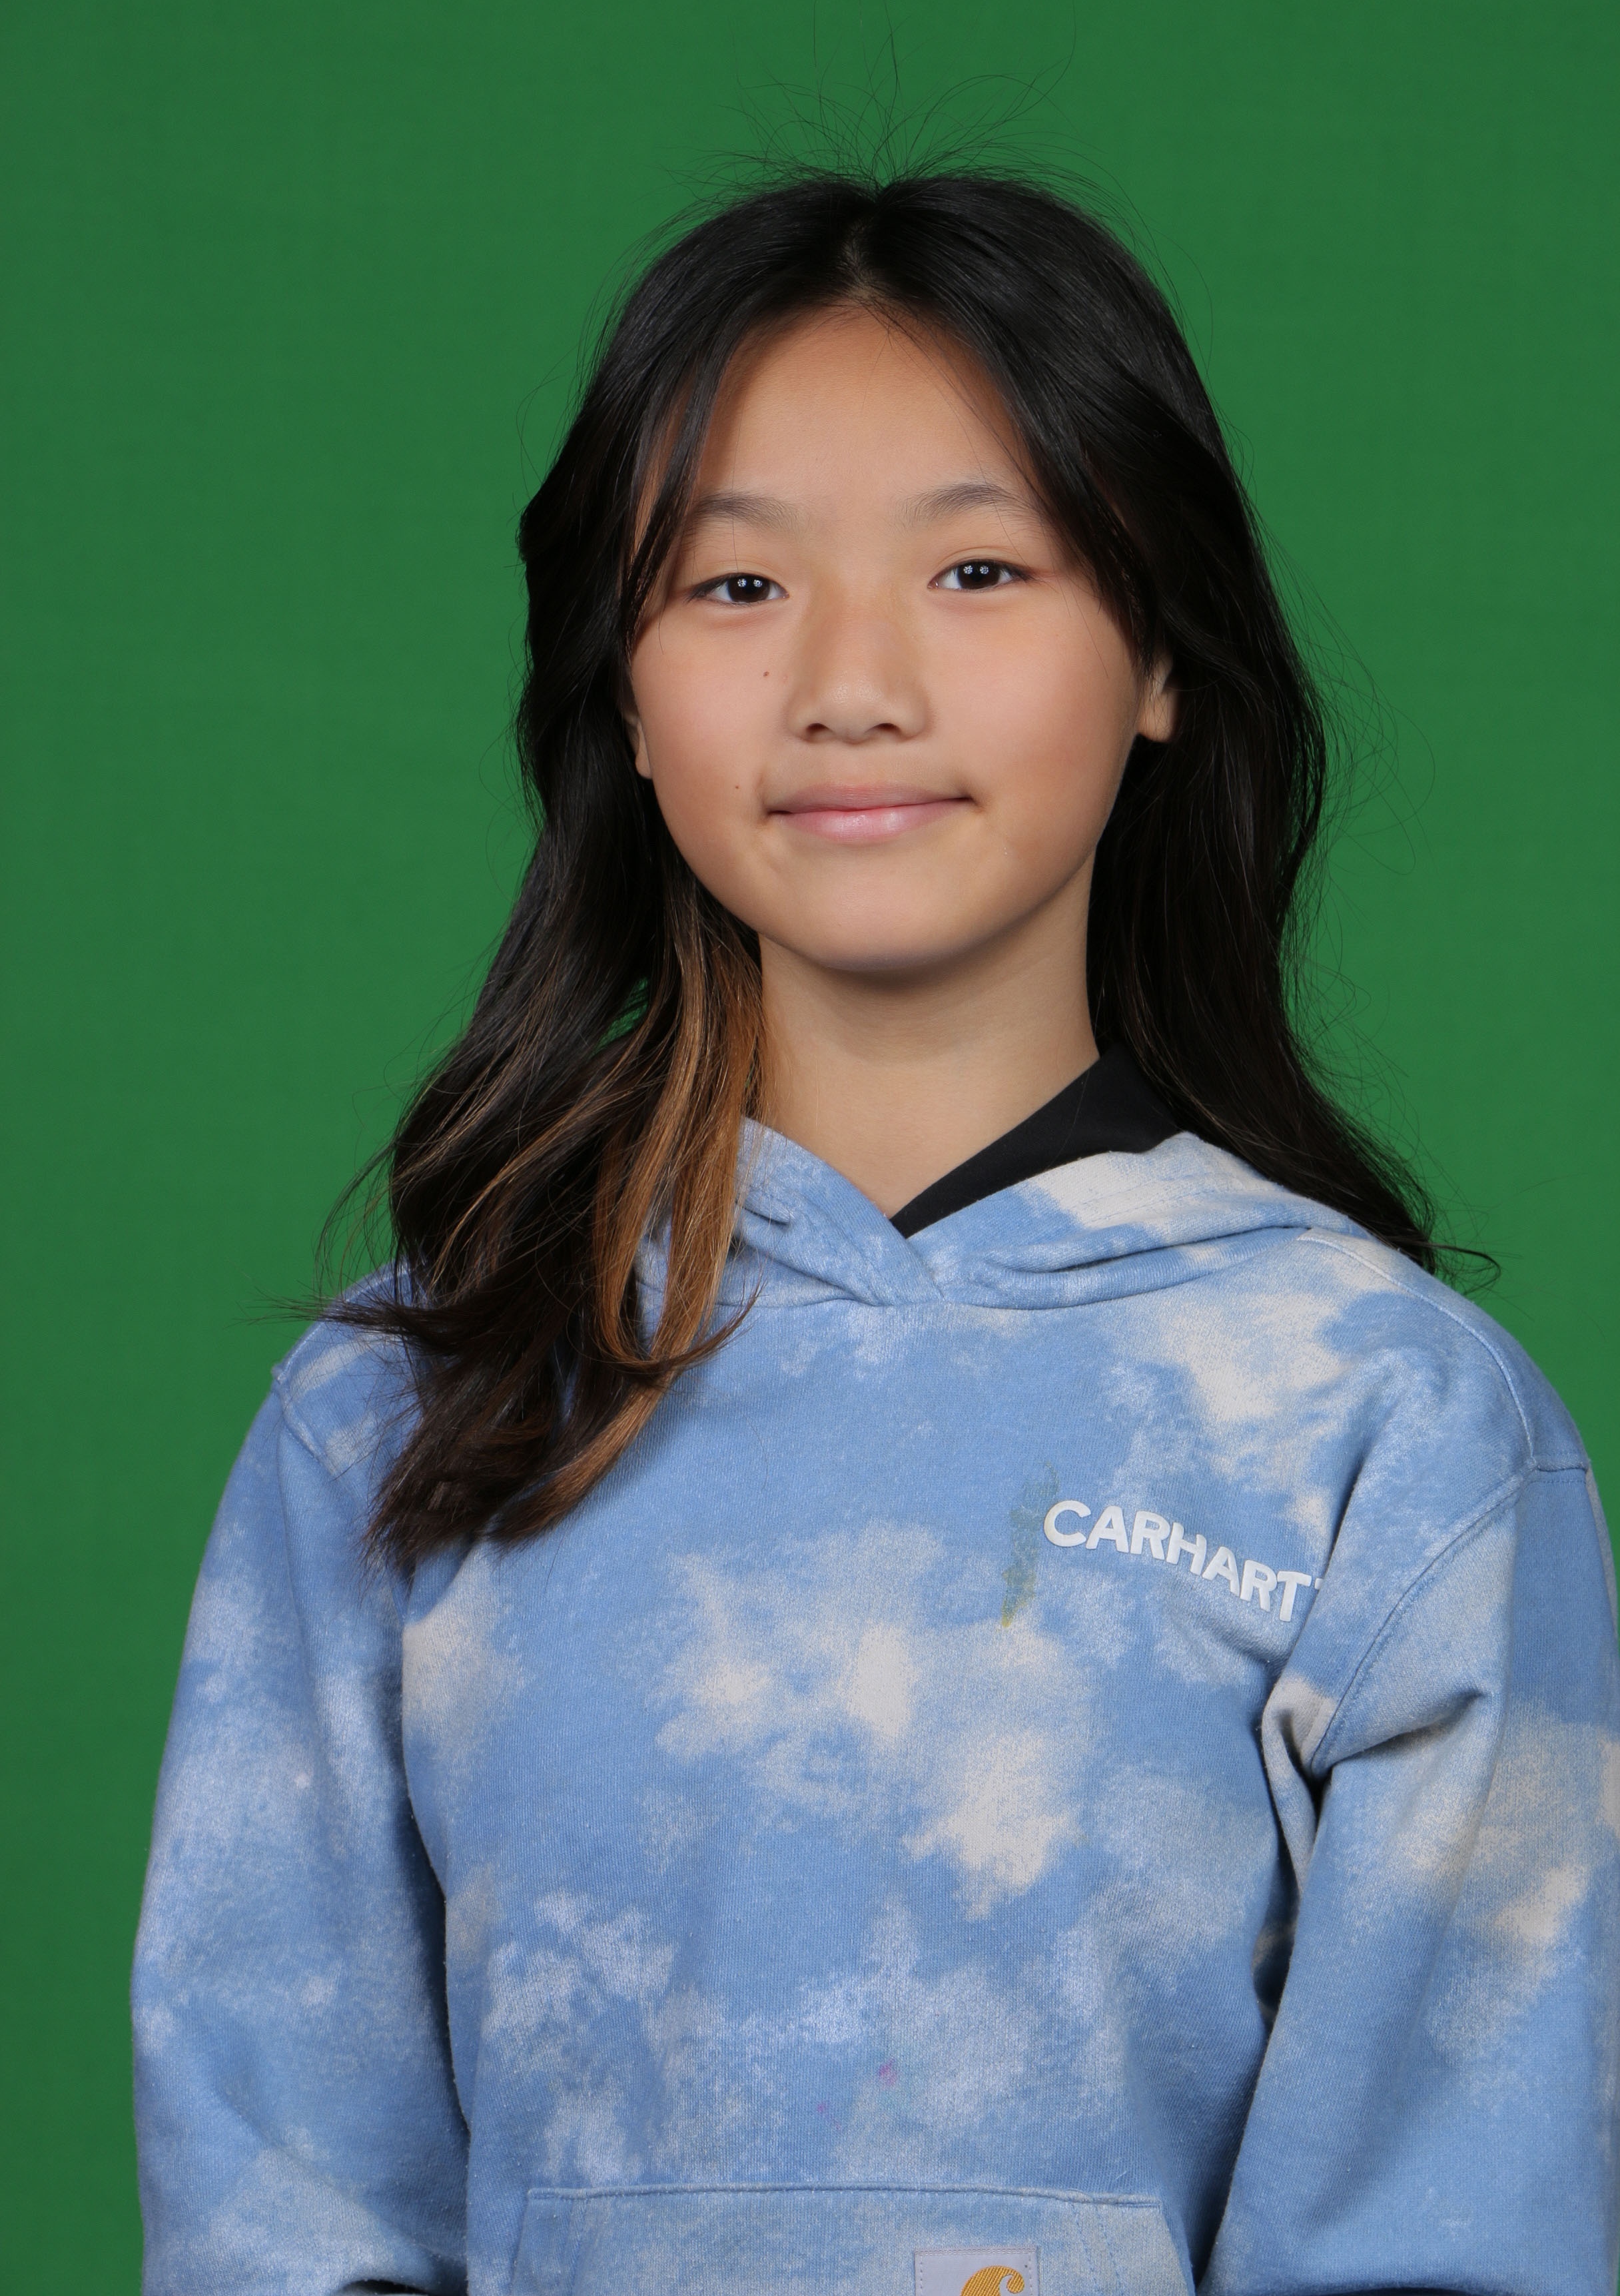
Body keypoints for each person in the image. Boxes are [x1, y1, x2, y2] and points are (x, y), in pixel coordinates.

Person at [132, 170, 1619, 2296]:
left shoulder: (1388, 1428)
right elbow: (280, 2219)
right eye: (736, 585)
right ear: (623, 696)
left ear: (1163, 655)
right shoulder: (402, 1410)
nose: (851, 683)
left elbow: (1448, 2242)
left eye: (979, 568)